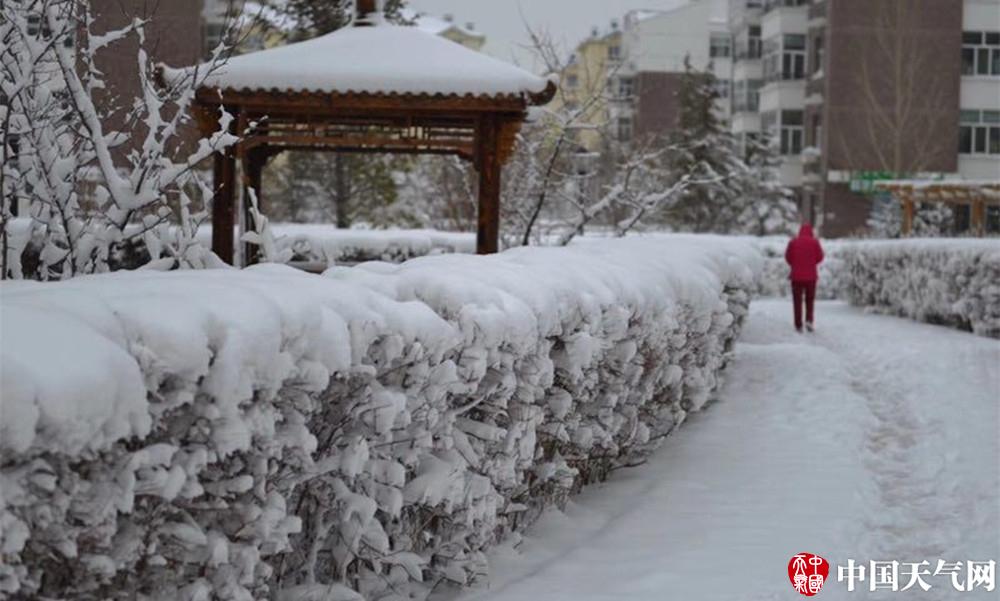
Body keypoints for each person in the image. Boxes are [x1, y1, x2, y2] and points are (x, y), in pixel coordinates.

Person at [784, 223, 824, 332]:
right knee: (810, 300)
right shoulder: (815, 242)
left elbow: (788, 257)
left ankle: (798, 325)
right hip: (811, 278)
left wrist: (795, 264)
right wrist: (811, 263)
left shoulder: (793, 242)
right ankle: (809, 321)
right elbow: (820, 257)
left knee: (797, 301)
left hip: (796, 277)